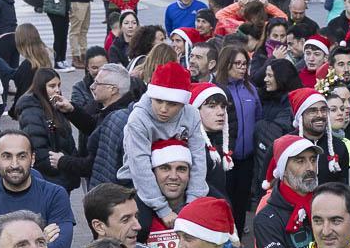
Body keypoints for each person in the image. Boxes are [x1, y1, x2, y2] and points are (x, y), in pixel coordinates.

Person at [121, 62, 209, 230]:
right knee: (141, 226)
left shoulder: (191, 115)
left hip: (180, 175)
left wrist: (193, 202)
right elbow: (140, 166)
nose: (163, 109)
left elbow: (198, 157)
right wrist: (162, 210)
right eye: (159, 101)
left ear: (183, 104)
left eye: (172, 104)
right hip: (137, 179)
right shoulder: (138, 119)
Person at [56, 62, 134, 187]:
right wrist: (72, 110)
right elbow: (95, 127)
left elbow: (94, 163)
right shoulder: (111, 110)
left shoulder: (118, 119)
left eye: (98, 83)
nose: (92, 87)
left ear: (113, 89)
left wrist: (62, 161)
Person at [214, 46, 262, 230]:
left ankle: (240, 238)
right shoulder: (219, 89)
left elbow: (258, 118)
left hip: (247, 158)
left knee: (241, 202)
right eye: (238, 64)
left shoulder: (251, 89)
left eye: (245, 64)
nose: (242, 68)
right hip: (227, 156)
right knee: (225, 201)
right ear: (227, 65)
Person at [252, 134, 321, 248]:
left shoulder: (328, 203)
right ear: (283, 170)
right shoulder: (266, 218)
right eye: (300, 161)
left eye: (313, 160)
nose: (310, 168)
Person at [15, 69, 81, 194]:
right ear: (40, 87)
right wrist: (62, 167)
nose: (57, 90)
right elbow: (39, 151)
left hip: (61, 175)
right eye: (52, 86)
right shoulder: (32, 112)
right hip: (51, 179)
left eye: (59, 85)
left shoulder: (54, 106)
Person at [190, 82, 232, 196]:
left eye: (223, 106)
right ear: (196, 110)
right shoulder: (192, 148)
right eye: (212, 106)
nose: (221, 112)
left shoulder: (215, 144)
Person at [40, 0, 73, 71]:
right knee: (59, 35)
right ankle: (58, 61)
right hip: (55, 9)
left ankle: (63, 59)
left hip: (62, 8)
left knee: (63, 35)